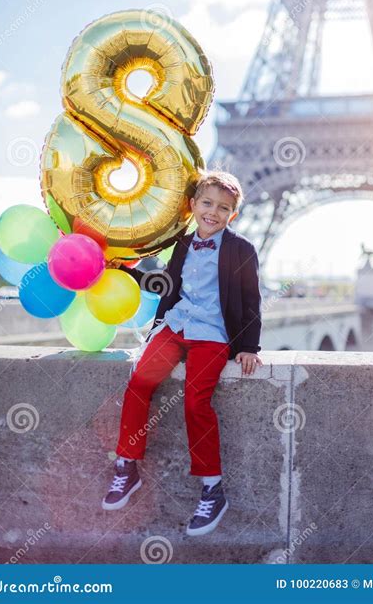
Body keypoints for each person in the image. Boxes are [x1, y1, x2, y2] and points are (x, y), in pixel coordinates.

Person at [102, 170, 262, 536]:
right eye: (207, 203)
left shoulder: (241, 250)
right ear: (192, 205)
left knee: (195, 402)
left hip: (212, 334)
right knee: (139, 382)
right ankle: (127, 467)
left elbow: (252, 302)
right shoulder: (183, 246)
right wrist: (125, 273)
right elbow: (166, 287)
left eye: (223, 208)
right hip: (176, 326)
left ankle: (212, 488)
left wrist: (249, 347)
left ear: (232, 215)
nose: (213, 212)